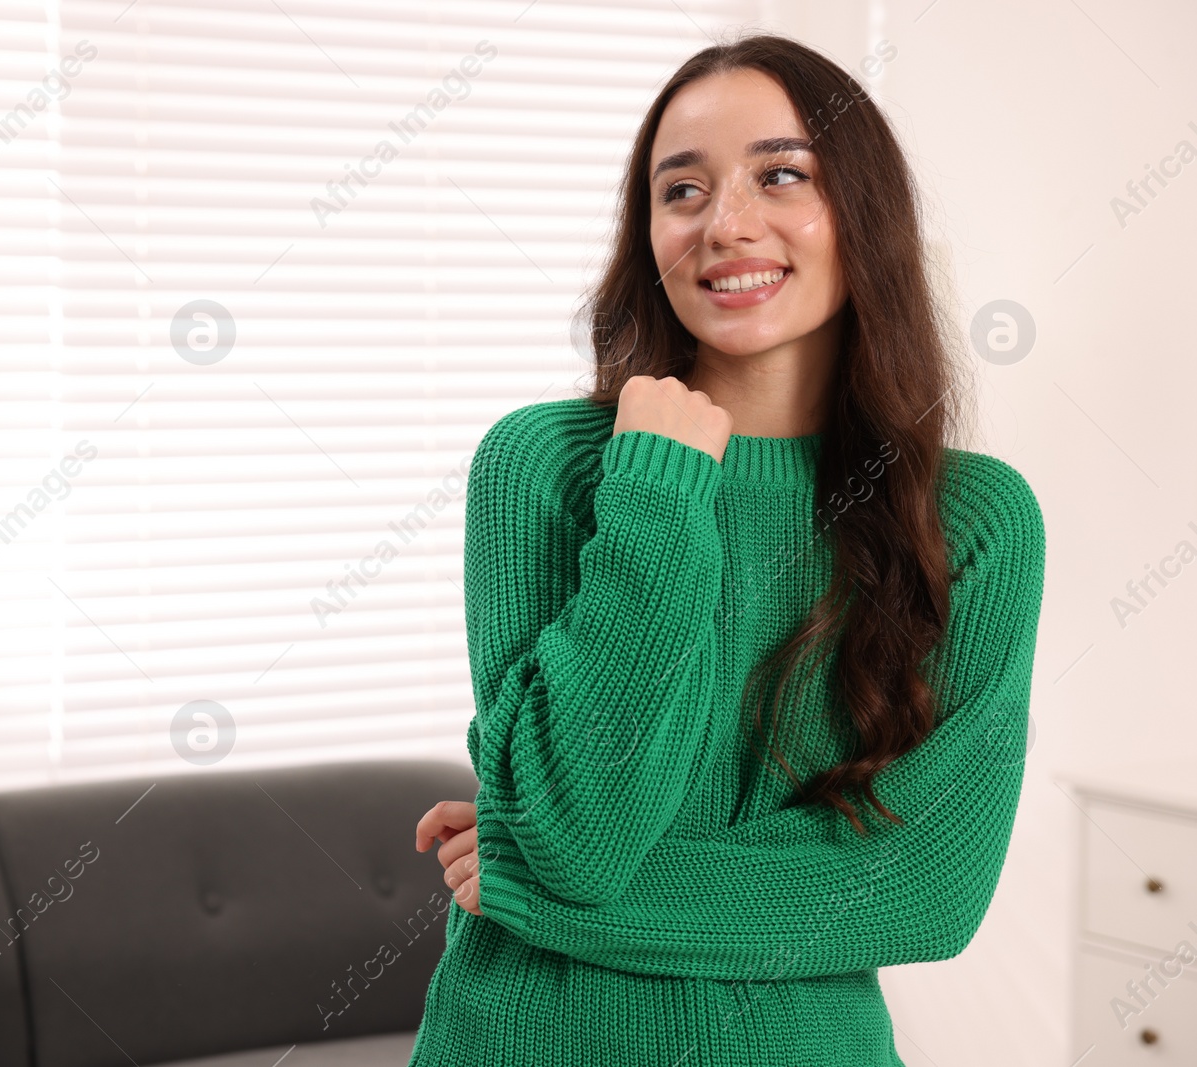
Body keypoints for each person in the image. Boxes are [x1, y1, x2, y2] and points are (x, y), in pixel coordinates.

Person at [407, 31, 1047, 1067]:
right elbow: (578, 829)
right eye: (682, 191)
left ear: (862, 213)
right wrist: (659, 495)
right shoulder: (545, 467)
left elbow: (921, 887)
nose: (725, 224)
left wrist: (528, 882)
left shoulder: (973, 520)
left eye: (780, 175)